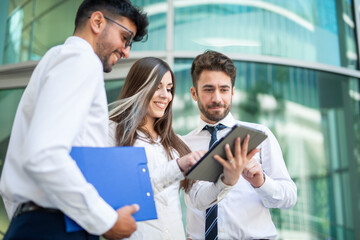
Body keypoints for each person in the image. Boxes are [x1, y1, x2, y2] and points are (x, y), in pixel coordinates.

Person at [0, 0, 148, 239]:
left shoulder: (60, 59)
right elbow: (44, 154)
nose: (126, 50)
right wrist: (107, 220)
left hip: (47, 222)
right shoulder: (81, 60)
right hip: (56, 225)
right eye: (125, 37)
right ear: (97, 22)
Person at [108, 57, 254, 240]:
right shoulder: (113, 131)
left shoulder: (173, 144)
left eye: (169, 89)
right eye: (157, 86)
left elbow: (199, 199)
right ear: (138, 86)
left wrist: (227, 180)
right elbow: (121, 193)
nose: (165, 95)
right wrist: (177, 167)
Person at [183, 50, 297, 240]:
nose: (217, 98)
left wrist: (260, 182)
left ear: (233, 92)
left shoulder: (259, 135)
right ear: (194, 93)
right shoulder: (182, 145)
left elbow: (289, 198)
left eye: (224, 89)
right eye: (208, 89)